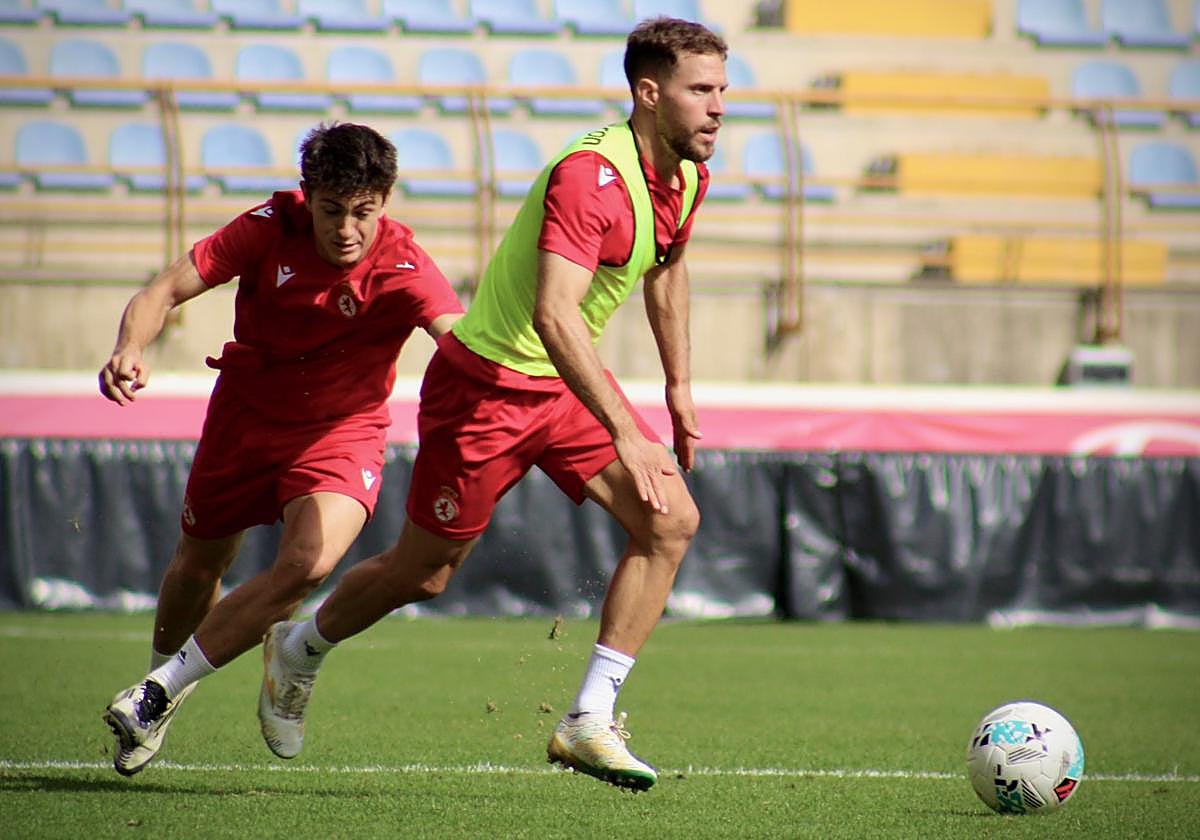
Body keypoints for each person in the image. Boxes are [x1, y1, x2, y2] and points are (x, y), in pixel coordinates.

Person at [257, 17, 727, 792]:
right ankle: (299, 648)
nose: (717, 108)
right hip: (487, 389)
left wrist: (677, 385)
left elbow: (667, 268)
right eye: (700, 91)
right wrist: (628, 431)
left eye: (721, 91)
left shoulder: (686, 176)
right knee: (426, 573)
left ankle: (588, 719)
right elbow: (554, 314)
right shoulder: (589, 178)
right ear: (649, 93)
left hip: (563, 389)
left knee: (671, 520)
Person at [99, 122, 464, 776]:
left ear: (386, 200)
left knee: (307, 564)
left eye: (364, 211)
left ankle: (160, 693)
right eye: (332, 210)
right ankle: (159, 690)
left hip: (342, 432)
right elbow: (164, 291)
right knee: (196, 567)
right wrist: (130, 347)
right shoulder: (269, 226)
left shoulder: (408, 267)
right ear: (307, 197)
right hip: (245, 419)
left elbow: (462, 342)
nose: (348, 228)